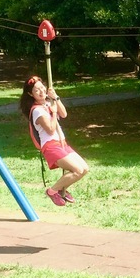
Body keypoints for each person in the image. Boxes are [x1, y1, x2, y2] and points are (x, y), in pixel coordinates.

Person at [19, 75, 89, 206]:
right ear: (31, 94)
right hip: (51, 147)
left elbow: (64, 114)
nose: (41, 91)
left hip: (62, 143)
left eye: (42, 87)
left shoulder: (48, 103)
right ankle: (52, 191)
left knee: (84, 168)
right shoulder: (37, 111)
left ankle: (62, 189)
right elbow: (51, 129)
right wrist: (54, 112)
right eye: (36, 90)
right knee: (77, 170)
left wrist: (55, 97)